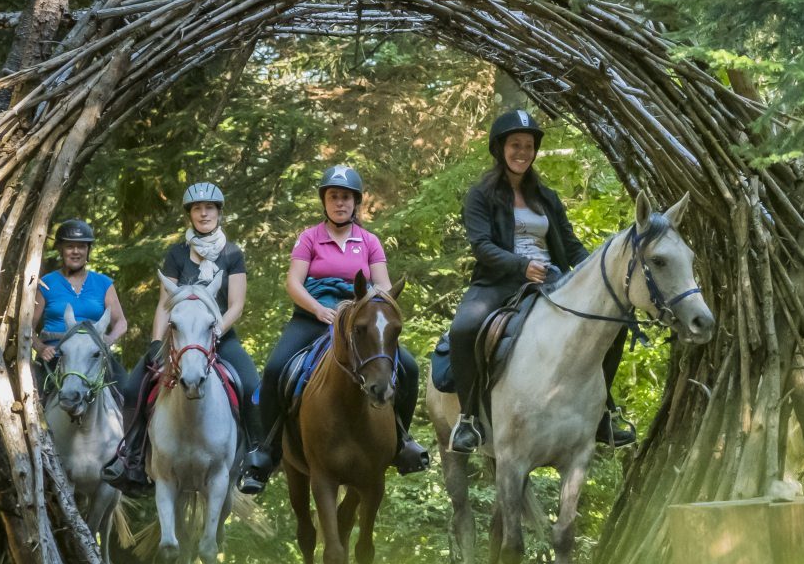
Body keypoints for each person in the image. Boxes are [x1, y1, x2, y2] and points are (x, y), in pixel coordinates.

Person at [447, 109, 636, 454]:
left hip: (552, 280)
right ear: (500, 148)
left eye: (529, 145)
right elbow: (482, 246)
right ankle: (469, 419)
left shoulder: (546, 197)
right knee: (463, 329)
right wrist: (521, 266)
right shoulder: (481, 195)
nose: (522, 152)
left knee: (614, 324)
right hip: (499, 281)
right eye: (515, 144)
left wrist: (597, 270)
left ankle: (604, 414)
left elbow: (571, 243)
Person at [239, 164, 430, 495]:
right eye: (333, 197)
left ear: (356, 203)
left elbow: (382, 286)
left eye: (346, 198)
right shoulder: (309, 238)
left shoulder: (369, 241)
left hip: (358, 323)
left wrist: (366, 308)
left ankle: (402, 442)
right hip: (313, 318)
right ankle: (265, 453)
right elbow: (294, 282)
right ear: (324, 201)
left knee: (409, 367)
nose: (340, 203)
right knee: (273, 369)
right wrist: (318, 309)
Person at [113, 182, 267, 490]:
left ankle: (254, 459)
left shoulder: (233, 253)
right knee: (134, 386)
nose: (204, 213)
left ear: (219, 213)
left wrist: (215, 332)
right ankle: (130, 457)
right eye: (198, 208)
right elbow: (164, 304)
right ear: (190, 215)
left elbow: (236, 304)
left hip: (220, 337)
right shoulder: (177, 254)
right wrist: (157, 342)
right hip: (179, 341)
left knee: (251, 386)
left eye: (209, 208)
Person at [32, 218, 127, 392]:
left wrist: (109, 340)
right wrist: (41, 348)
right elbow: (27, 326)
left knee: (127, 390)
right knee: (33, 397)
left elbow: (120, 322)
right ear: (60, 249)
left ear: (88, 250)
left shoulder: (103, 283)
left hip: (93, 357)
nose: (76, 251)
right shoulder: (46, 283)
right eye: (70, 246)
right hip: (57, 356)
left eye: (82, 246)